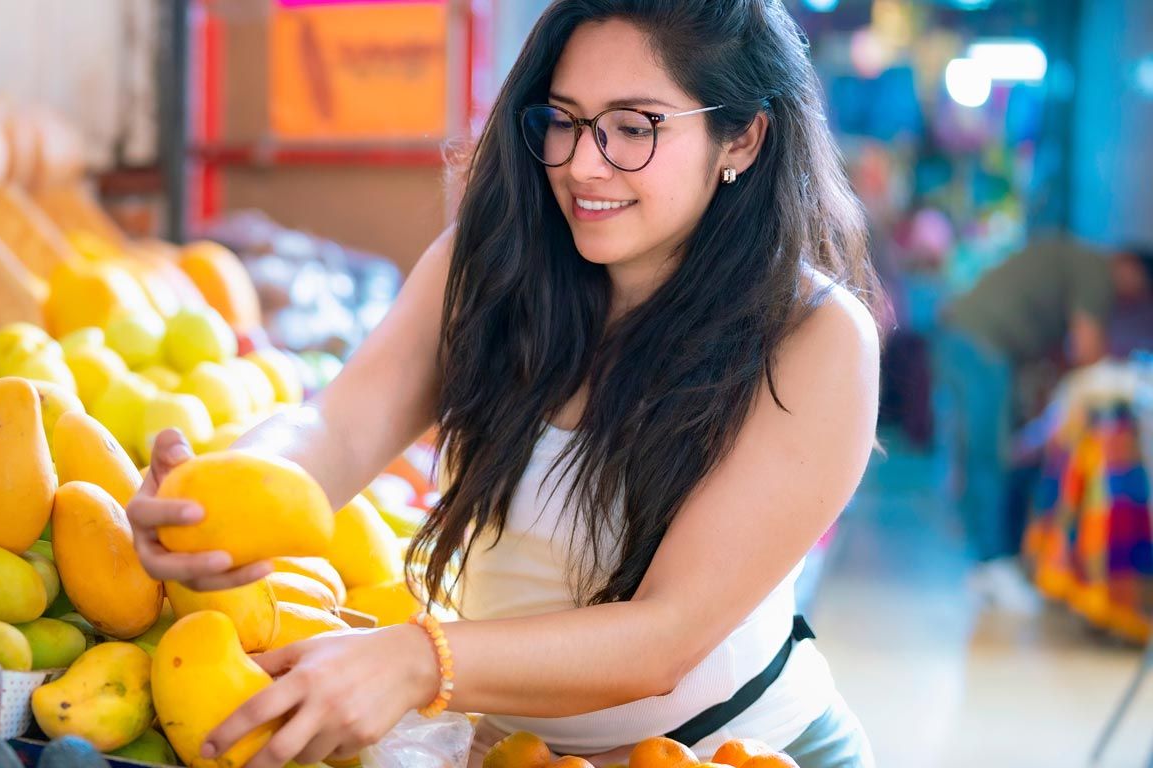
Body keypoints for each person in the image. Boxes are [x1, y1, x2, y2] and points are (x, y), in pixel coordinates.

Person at [124, 0, 881, 766]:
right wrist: (221, 490)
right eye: (565, 119)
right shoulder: (491, 267)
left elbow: (664, 635)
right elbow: (341, 426)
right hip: (516, 751)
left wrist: (421, 659)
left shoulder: (813, 339)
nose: (584, 164)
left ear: (742, 138)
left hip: (746, 753)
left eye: (634, 127)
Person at [933, 237, 1153, 613]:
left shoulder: (1071, 259)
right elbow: (1088, 352)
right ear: (1129, 266)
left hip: (963, 332)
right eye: (1141, 287)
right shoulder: (1096, 271)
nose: (1133, 298)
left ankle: (988, 560)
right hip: (981, 342)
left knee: (982, 449)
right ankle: (992, 564)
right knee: (990, 452)